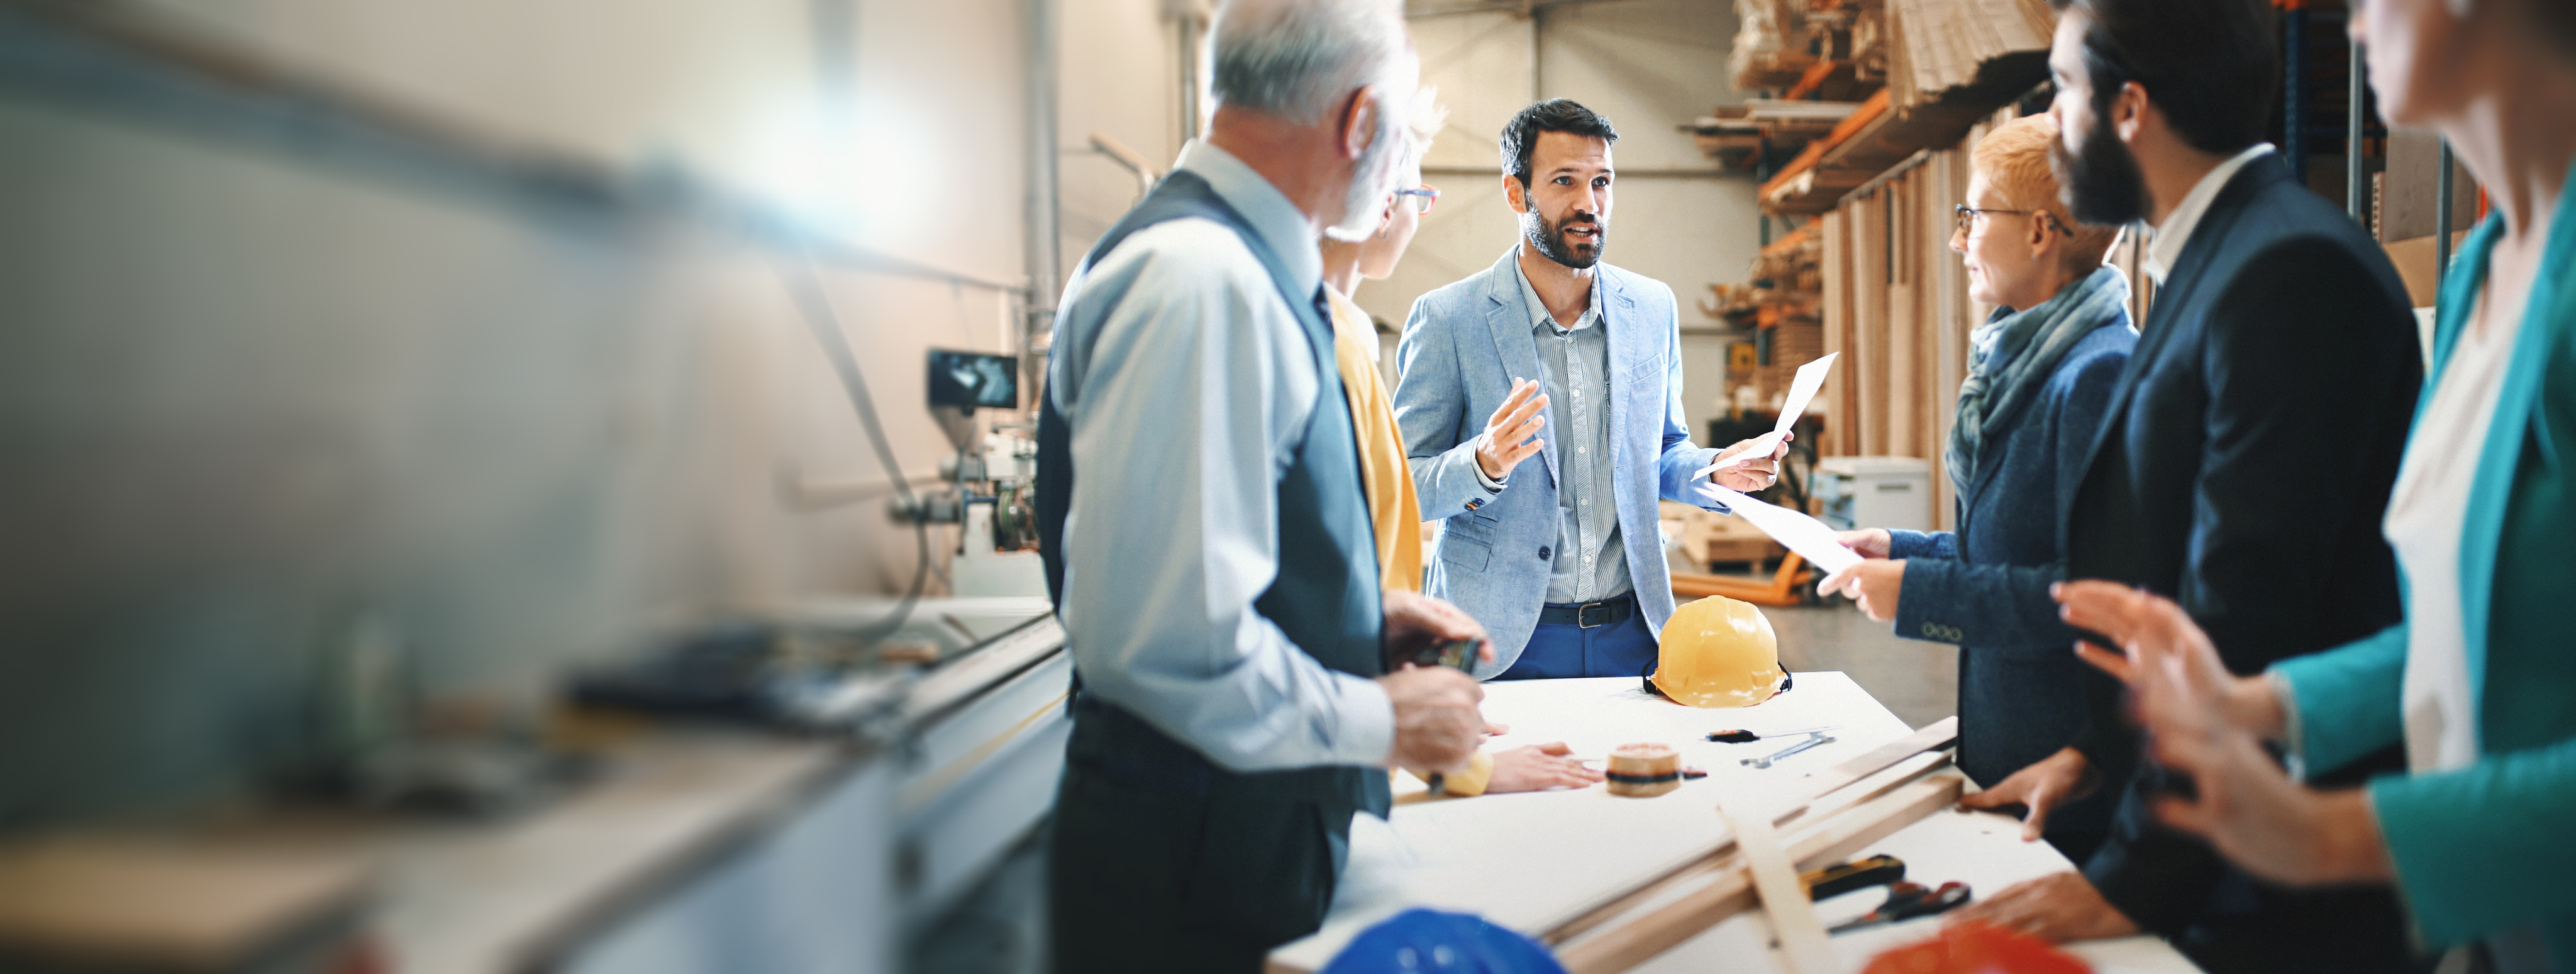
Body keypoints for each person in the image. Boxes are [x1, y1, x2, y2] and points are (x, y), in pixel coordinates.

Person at [2052, 0, 2576, 968]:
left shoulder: (2305, 267)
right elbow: (2461, 636)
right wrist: (2258, 706)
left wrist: (2331, 834)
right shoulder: (2481, 274)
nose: (2353, 26)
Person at [1945, 0, 2428, 970]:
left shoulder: (2288, 270)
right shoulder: (2217, 257)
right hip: (2220, 837)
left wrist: (2134, 881)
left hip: (2273, 880)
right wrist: (2095, 758)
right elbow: (2170, 567)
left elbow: (2242, 617)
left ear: (2128, 109)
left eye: (2067, 89)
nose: (2056, 120)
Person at [1034, 2, 1495, 969]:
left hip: (1225, 852)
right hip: (1187, 885)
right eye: (1400, 133)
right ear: (1360, 123)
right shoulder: (1206, 284)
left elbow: (1196, 573)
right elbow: (1163, 647)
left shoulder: (1230, 270)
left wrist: (1351, 622)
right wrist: (1386, 718)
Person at [1817, 113, 2134, 863]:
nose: (1957, 240)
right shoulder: (2023, 357)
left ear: (2038, 232)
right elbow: (2016, 542)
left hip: (2069, 774)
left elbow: (2092, 591)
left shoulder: (2095, 374)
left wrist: (1920, 595)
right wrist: (1902, 550)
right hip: (2011, 749)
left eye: (1972, 216)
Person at [1392, 99, 1786, 680]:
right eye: (1564, 181)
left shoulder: (1652, 309)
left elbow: (1662, 453)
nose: (1588, 203)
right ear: (1515, 192)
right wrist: (1481, 463)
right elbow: (1403, 488)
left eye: (1602, 182)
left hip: (1634, 633)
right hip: (1498, 642)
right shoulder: (1451, 319)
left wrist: (1715, 472)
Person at [1319, 92, 1601, 796]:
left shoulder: (1344, 329)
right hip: (1463, 656)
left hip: (1380, 686)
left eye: (1601, 181)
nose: (1420, 211)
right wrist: (1483, 463)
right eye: (1416, 190)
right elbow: (1322, 562)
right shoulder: (1358, 330)